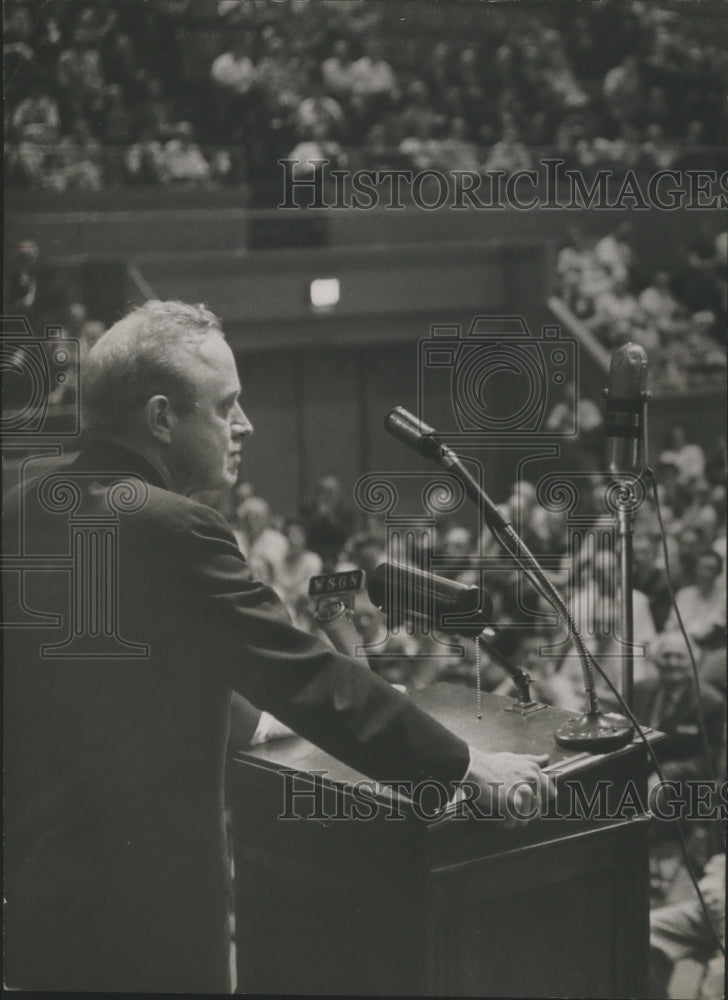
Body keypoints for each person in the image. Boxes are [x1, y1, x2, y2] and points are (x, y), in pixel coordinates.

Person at [4, 300, 554, 993]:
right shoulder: (174, 528)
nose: (245, 424)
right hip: (143, 938)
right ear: (161, 419)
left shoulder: (25, 498)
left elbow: (115, 667)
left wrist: (250, 724)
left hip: (38, 913)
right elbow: (310, 676)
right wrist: (469, 767)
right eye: (226, 405)